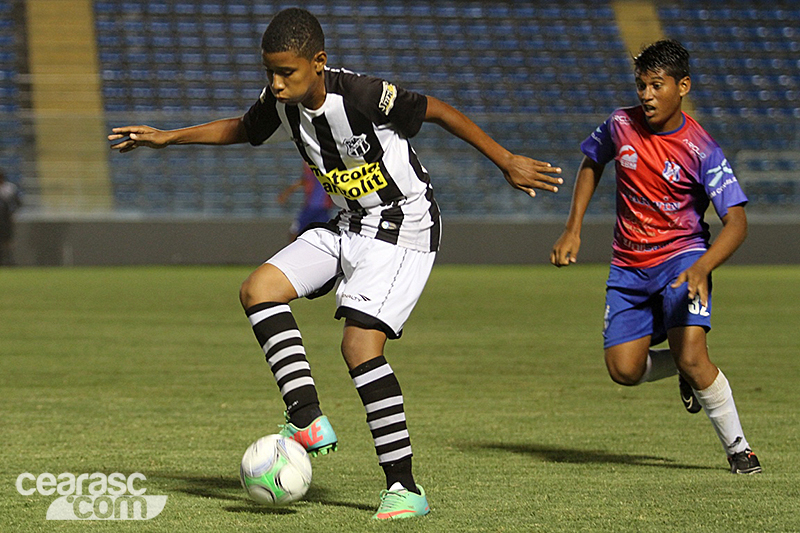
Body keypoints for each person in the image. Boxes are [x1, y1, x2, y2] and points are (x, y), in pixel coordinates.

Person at [109, 7, 563, 519]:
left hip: (404, 227)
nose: (276, 84)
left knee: (358, 347)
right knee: (259, 290)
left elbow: (436, 110)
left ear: (318, 62)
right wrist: (169, 137)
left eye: (286, 73)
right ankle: (306, 416)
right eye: (270, 73)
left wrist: (506, 160)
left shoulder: (364, 95)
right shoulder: (281, 103)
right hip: (350, 223)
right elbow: (243, 128)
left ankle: (404, 488)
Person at [550, 39, 760, 475]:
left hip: (683, 262)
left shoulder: (702, 149)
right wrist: (573, 227)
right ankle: (682, 370)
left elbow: (737, 223)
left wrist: (703, 266)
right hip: (628, 266)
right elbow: (592, 162)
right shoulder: (620, 124)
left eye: (656, 85)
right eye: (641, 85)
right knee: (623, 370)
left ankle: (740, 450)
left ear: (683, 86)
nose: (646, 95)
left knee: (694, 357)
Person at [277, 162, 335, 241]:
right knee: (322, 232)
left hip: (316, 207)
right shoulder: (323, 170)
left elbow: (302, 181)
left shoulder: (315, 169)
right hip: (320, 207)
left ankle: (295, 247)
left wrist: (286, 193)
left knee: (296, 230)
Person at [0, 169, 22, 266]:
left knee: (7, 240)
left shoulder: (10, 188)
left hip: (6, 219)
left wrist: (12, 213)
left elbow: (18, 203)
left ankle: (9, 260)